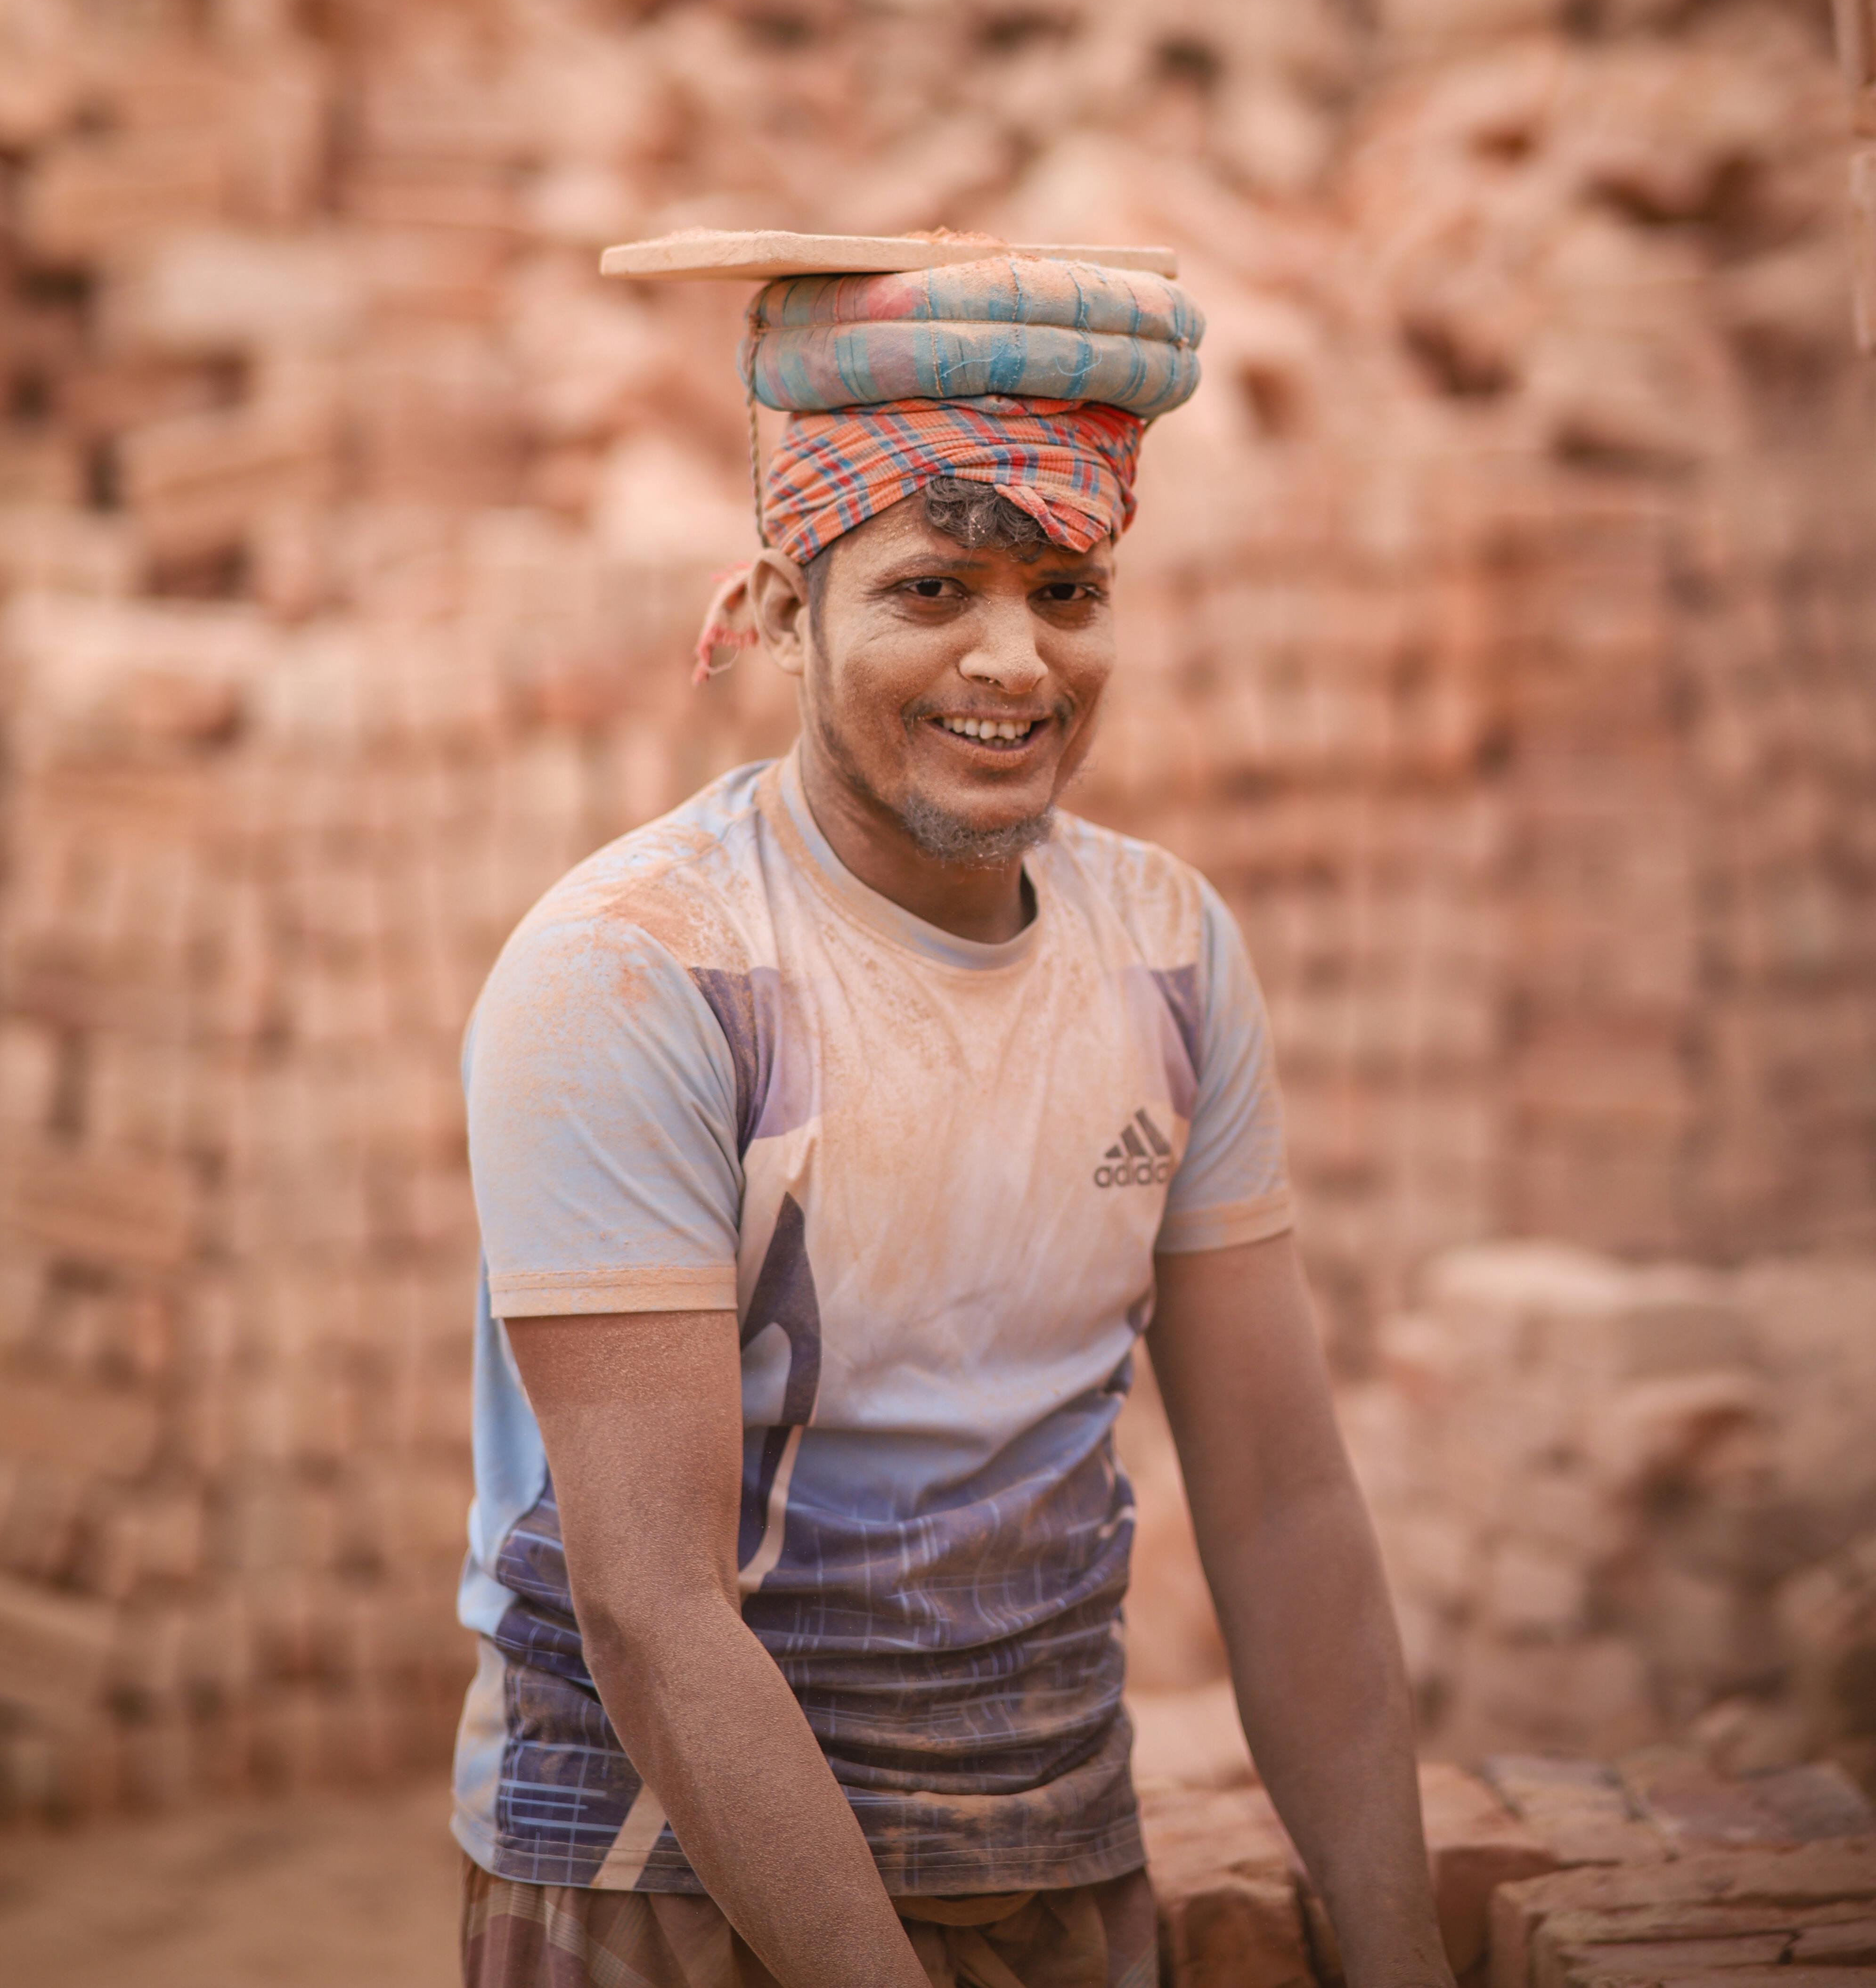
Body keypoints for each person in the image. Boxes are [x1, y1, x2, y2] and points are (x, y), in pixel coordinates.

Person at [451, 256, 1454, 1988]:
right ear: (782, 608)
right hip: (670, 1891)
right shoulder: (638, 977)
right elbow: (652, 1609)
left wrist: (1401, 1950)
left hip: (1058, 1859)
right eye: (932, 587)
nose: (1016, 658)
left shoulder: (1170, 952)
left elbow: (1283, 1498)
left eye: (1066, 587)